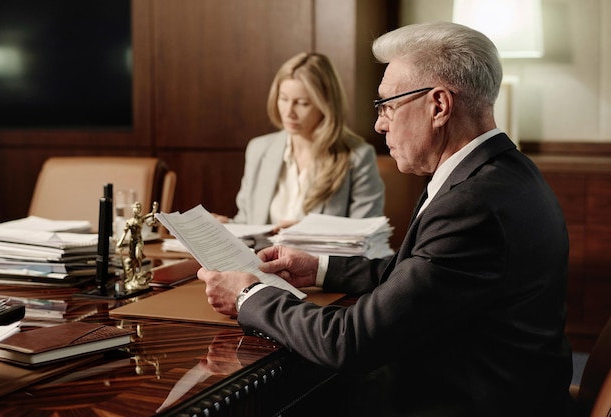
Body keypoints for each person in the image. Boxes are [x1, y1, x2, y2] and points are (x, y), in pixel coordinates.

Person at [198, 21, 573, 417]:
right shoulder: (504, 171)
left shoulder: (472, 204)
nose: (380, 123)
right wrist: (320, 268)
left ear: (439, 105)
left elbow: (350, 342)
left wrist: (247, 296)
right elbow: (417, 276)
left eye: (388, 105)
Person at [213, 52, 384, 228]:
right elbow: (247, 223)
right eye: (283, 99)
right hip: (260, 256)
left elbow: (364, 238)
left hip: (314, 256)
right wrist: (227, 226)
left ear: (326, 104)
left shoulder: (358, 157)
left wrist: (304, 236)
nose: (289, 112)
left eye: (302, 103)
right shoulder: (259, 149)